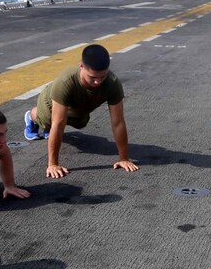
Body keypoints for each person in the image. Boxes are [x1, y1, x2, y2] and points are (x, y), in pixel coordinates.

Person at [23, 44, 138, 178]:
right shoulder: (65, 82)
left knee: (81, 122)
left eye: (102, 77)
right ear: (81, 66)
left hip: (78, 106)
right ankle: (31, 116)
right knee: (50, 122)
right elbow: (58, 124)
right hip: (50, 102)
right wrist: (53, 164)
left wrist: (124, 158)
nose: (98, 82)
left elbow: (118, 122)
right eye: (93, 77)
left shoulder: (112, 83)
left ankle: (53, 127)